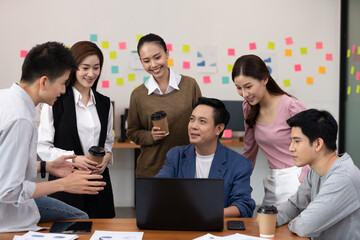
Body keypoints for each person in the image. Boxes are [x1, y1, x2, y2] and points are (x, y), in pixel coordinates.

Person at [0, 41, 107, 232]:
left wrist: (46, 166)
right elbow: (9, 190)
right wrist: (64, 184)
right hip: (8, 215)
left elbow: (5, 165)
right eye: (62, 83)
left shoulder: (5, 99)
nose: (64, 90)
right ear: (43, 81)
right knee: (81, 220)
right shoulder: (21, 120)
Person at [37, 41, 115, 218]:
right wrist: (74, 159)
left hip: (98, 183)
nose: (91, 73)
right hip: (65, 183)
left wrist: (107, 156)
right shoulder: (55, 101)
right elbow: (43, 147)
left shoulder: (104, 103)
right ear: (73, 68)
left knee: (102, 230)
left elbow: (108, 141)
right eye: (85, 68)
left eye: (96, 68)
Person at [156, 97, 256, 218]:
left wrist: (209, 214)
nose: (193, 126)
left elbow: (243, 206)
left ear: (219, 129)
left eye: (202, 121)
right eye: (192, 119)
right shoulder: (176, 155)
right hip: (182, 226)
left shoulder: (239, 164)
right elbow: (158, 191)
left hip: (218, 229)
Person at [231, 54, 310, 206]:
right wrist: (240, 180)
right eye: (238, 88)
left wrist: (304, 179)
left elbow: (313, 142)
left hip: (298, 177)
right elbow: (249, 149)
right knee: (266, 226)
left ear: (265, 79)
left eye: (248, 87)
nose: (244, 94)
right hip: (273, 179)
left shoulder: (291, 106)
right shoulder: (248, 107)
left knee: (291, 228)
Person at [276, 109, 360, 239]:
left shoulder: (343, 177)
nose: (291, 148)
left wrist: (294, 222)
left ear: (318, 144)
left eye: (297, 141)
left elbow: (305, 226)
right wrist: (270, 217)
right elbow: (295, 205)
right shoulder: (315, 172)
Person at [127, 33, 202, 177]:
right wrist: (151, 136)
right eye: (146, 60)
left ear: (167, 53)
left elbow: (202, 122)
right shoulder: (138, 95)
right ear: (141, 62)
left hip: (186, 168)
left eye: (157, 57)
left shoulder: (190, 85)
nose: (153, 65)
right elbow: (132, 132)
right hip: (151, 171)